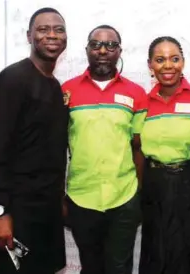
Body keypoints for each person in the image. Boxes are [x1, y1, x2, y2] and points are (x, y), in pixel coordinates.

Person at [0, 7, 69, 274]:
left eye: (58, 29)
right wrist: (1, 212)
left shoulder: (55, 85)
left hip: (48, 211)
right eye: (43, 29)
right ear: (29, 35)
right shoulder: (12, 80)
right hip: (18, 213)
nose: (51, 35)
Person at [62, 25, 147, 274]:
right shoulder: (67, 91)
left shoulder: (135, 93)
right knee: (90, 266)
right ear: (87, 50)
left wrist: (138, 195)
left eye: (110, 45)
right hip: (81, 197)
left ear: (119, 51)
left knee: (119, 267)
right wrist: (60, 196)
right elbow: (56, 148)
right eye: (96, 44)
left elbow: (138, 148)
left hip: (124, 197)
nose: (103, 50)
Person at [138, 36, 190, 274]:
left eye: (175, 59)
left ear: (183, 61)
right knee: (156, 251)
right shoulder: (143, 102)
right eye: (160, 60)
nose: (168, 66)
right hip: (154, 185)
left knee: (189, 252)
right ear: (150, 65)